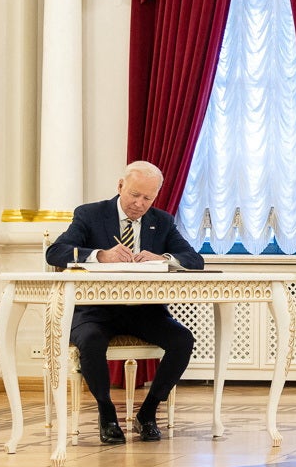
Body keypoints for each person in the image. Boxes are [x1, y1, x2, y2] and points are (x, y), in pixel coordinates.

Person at [44, 161, 203, 445]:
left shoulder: (162, 221)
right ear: (120, 187)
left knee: (183, 340)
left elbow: (195, 260)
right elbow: (56, 252)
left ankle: (149, 412)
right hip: (95, 311)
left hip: (143, 312)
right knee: (91, 340)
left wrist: (164, 258)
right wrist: (100, 255)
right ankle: (106, 414)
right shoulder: (90, 214)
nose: (139, 204)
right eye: (134, 195)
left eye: (148, 198)